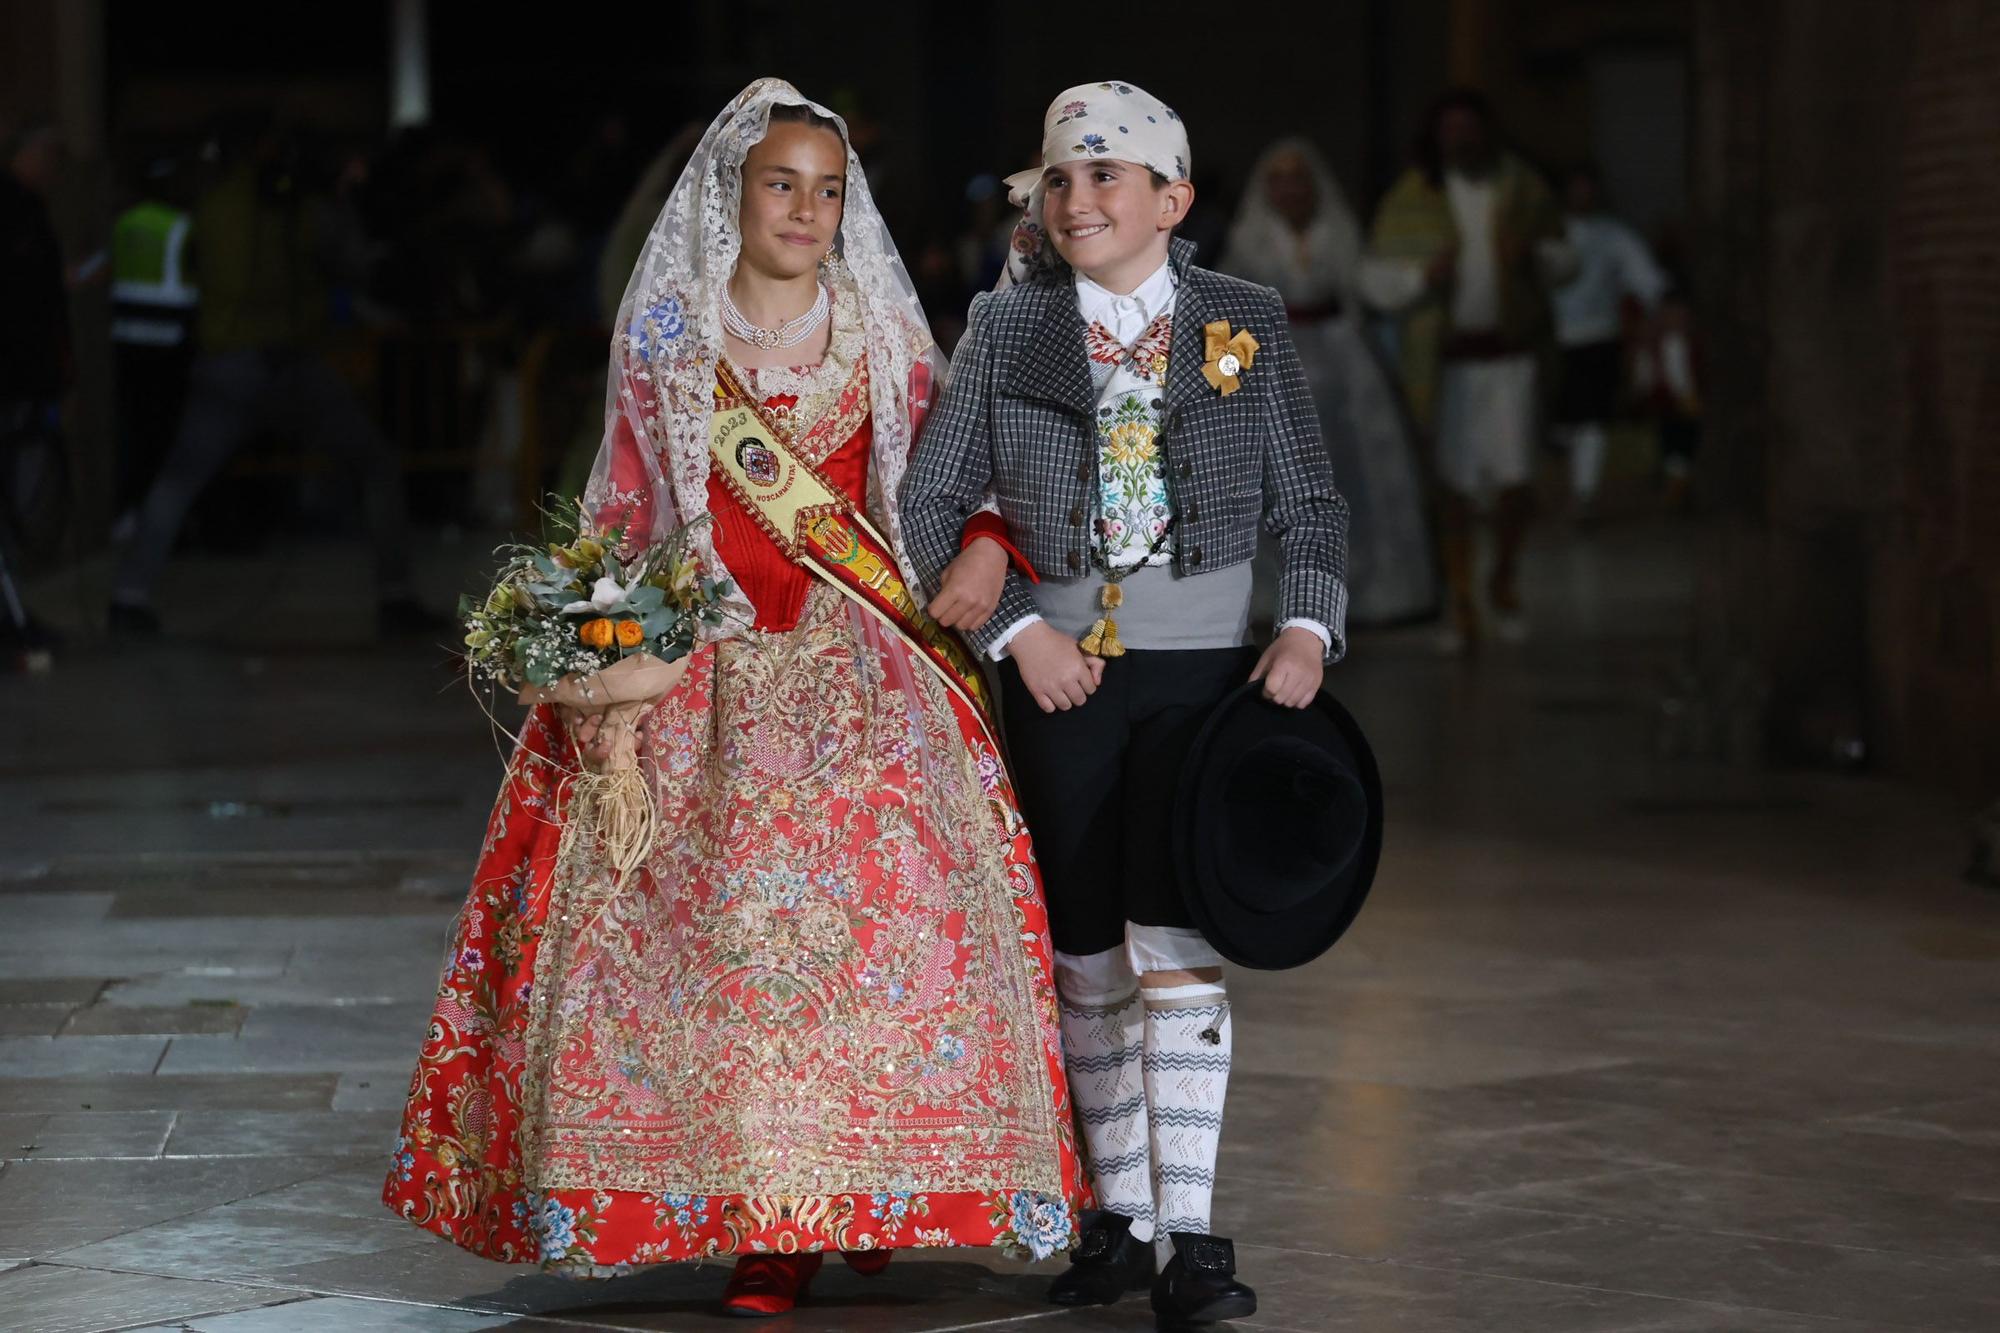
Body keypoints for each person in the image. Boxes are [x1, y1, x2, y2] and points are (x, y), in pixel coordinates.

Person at [382, 79, 1086, 1319]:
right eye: (781, 185)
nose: (805, 210)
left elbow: (943, 482)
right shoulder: (667, 336)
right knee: (733, 949)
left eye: (827, 190)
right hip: (702, 670)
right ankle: (772, 1217)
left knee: (880, 943)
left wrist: (985, 542)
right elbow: (624, 513)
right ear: (731, 195)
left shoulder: (877, 331)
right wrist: (593, 671)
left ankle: (863, 1185)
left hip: (866, 670)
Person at [900, 80, 1350, 1327]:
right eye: (1059, 178)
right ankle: (1119, 1216)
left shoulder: (1240, 320)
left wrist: (1306, 626)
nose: (1079, 198)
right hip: (1065, 679)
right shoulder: (1006, 327)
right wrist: (1011, 627)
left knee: (1179, 947)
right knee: (1088, 951)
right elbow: (929, 505)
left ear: (1173, 199)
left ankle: (1194, 1237)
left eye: (1108, 177)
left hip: (1206, 679)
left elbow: (1309, 502)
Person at [106, 114, 428, 638]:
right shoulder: (303, 209)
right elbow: (350, 265)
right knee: (376, 465)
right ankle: (396, 597)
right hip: (288, 362)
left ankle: (128, 597)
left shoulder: (211, 207)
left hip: (225, 362)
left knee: (176, 481)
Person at [1366, 89, 1573, 652]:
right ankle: (1460, 601)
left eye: (1469, 127)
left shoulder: (1522, 188)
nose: (1460, 138)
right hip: (1446, 364)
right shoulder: (1413, 197)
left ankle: (1502, 581)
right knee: (1451, 486)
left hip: (1511, 357)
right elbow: (1377, 279)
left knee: (1515, 482)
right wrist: (1423, 279)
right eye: (1450, 128)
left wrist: (1530, 257)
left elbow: (1564, 257)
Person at [1221, 138, 1435, 625]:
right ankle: (1281, 596)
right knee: (1274, 483)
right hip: (1273, 363)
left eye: (1298, 180)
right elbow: (1229, 313)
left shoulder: (1338, 233)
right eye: (1279, 181)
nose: (1290, 190)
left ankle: (1360, 589)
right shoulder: (1249, 239)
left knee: (1351, 477)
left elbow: (1368, 280)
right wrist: (1228, 386)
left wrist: (1421, 278)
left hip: (1343, 369)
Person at [1550, 164, 1666, 522]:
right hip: (1551, 340)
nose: (1583, 196)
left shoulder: (1614, 236)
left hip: (1598, 338)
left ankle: (1584, 496)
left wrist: (1660, 311)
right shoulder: (1545, 234)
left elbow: (1647, 278)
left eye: (1589, 189)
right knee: (1564, 423)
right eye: (1576, 188)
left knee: (1592, 419)